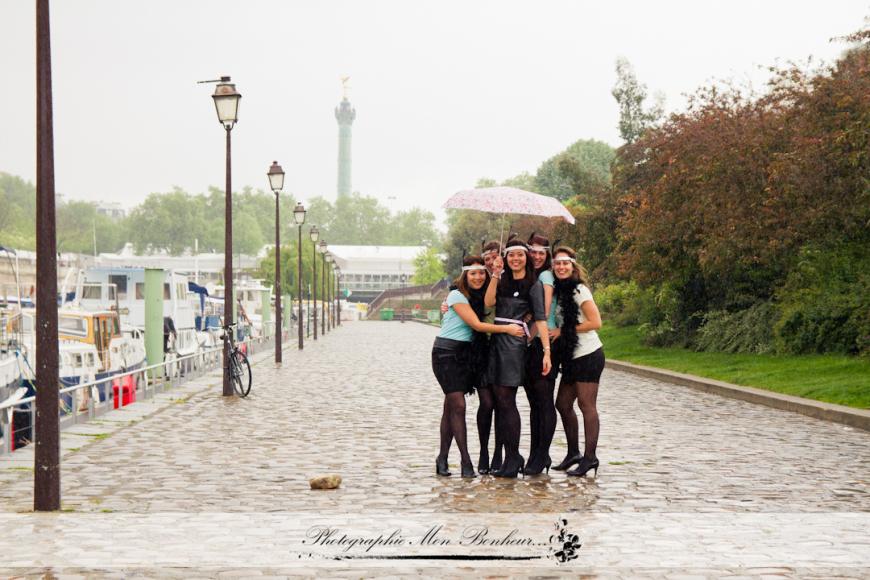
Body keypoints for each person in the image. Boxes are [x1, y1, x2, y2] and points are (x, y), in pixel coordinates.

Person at [433, 255, 525, 478]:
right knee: (458, 405)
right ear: (465, 275)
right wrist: (508, 329)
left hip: (467, 354)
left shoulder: (482, 296)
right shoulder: (456, 295)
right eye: (472, 273)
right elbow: (476, 324)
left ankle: (442, 457)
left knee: (450, 408)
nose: (477, 277)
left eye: (481, 273)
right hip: (446, 353)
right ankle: (466, 461)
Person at [485, 238, 551, 478]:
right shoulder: (501, 279)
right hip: (497, 340)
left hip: (514, 345)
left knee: (507, 400)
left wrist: (546, 351)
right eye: (511, 255)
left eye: (520, 255)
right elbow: (489, 303)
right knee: (501, 402)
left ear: (526, 258)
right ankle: (511, 456)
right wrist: (495, 274)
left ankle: (513, 457)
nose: (515, 259)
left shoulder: (534, 284)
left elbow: (541, 319)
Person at [551, 247, 604, 477]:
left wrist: (563, 331)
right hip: (571, 357)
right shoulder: (559, 291)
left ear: (573, 266)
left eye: (565, 263)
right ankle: (573, 453)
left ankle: (590, 457)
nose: (561, 267)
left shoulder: (580, 290)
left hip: (588, 354)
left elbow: (596, 322)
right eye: (557, 263)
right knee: (563, 404)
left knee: (586, 405)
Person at [524, 233, 559, 475]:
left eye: (541, 253)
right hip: (532, 344)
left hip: (542, 342)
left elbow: (543, 312)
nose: (536, 256)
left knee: (544, 400)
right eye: (533, 252)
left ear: (547, 255)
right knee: (534, 402)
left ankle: (542, 454)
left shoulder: (546, 276)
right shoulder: (530, 276)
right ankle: (535, 453)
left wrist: (528, 337)